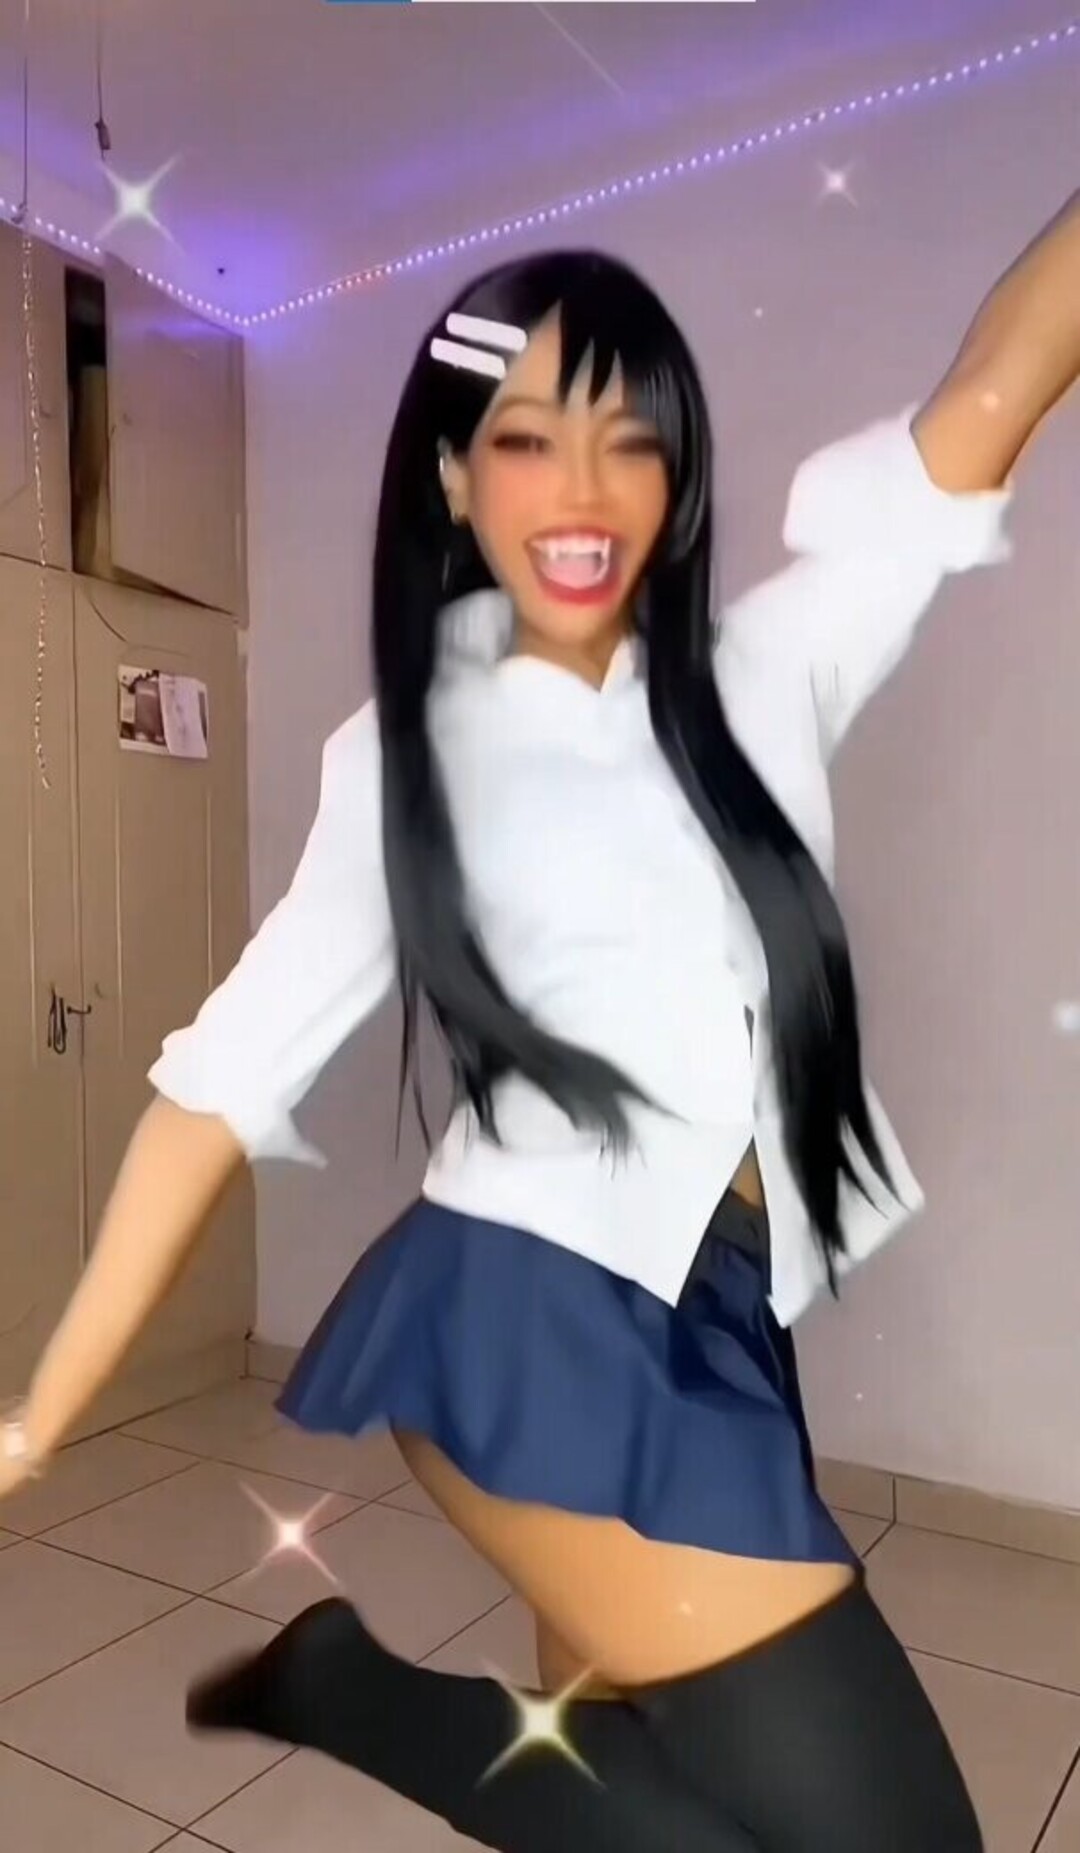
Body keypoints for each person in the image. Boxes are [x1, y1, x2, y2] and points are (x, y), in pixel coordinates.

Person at [3, 192, 1078, 1851]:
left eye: (629, 437)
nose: (584, 486)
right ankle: (359, 1694)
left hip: (722, 1298)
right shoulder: (406, 757)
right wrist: (34, 1417)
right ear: (454, 474)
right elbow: (214, 1093)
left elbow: (1000, 383)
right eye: (528, 436)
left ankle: (343, 1681)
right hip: (531, 1306)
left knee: (648, 1782)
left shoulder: (766, 671)